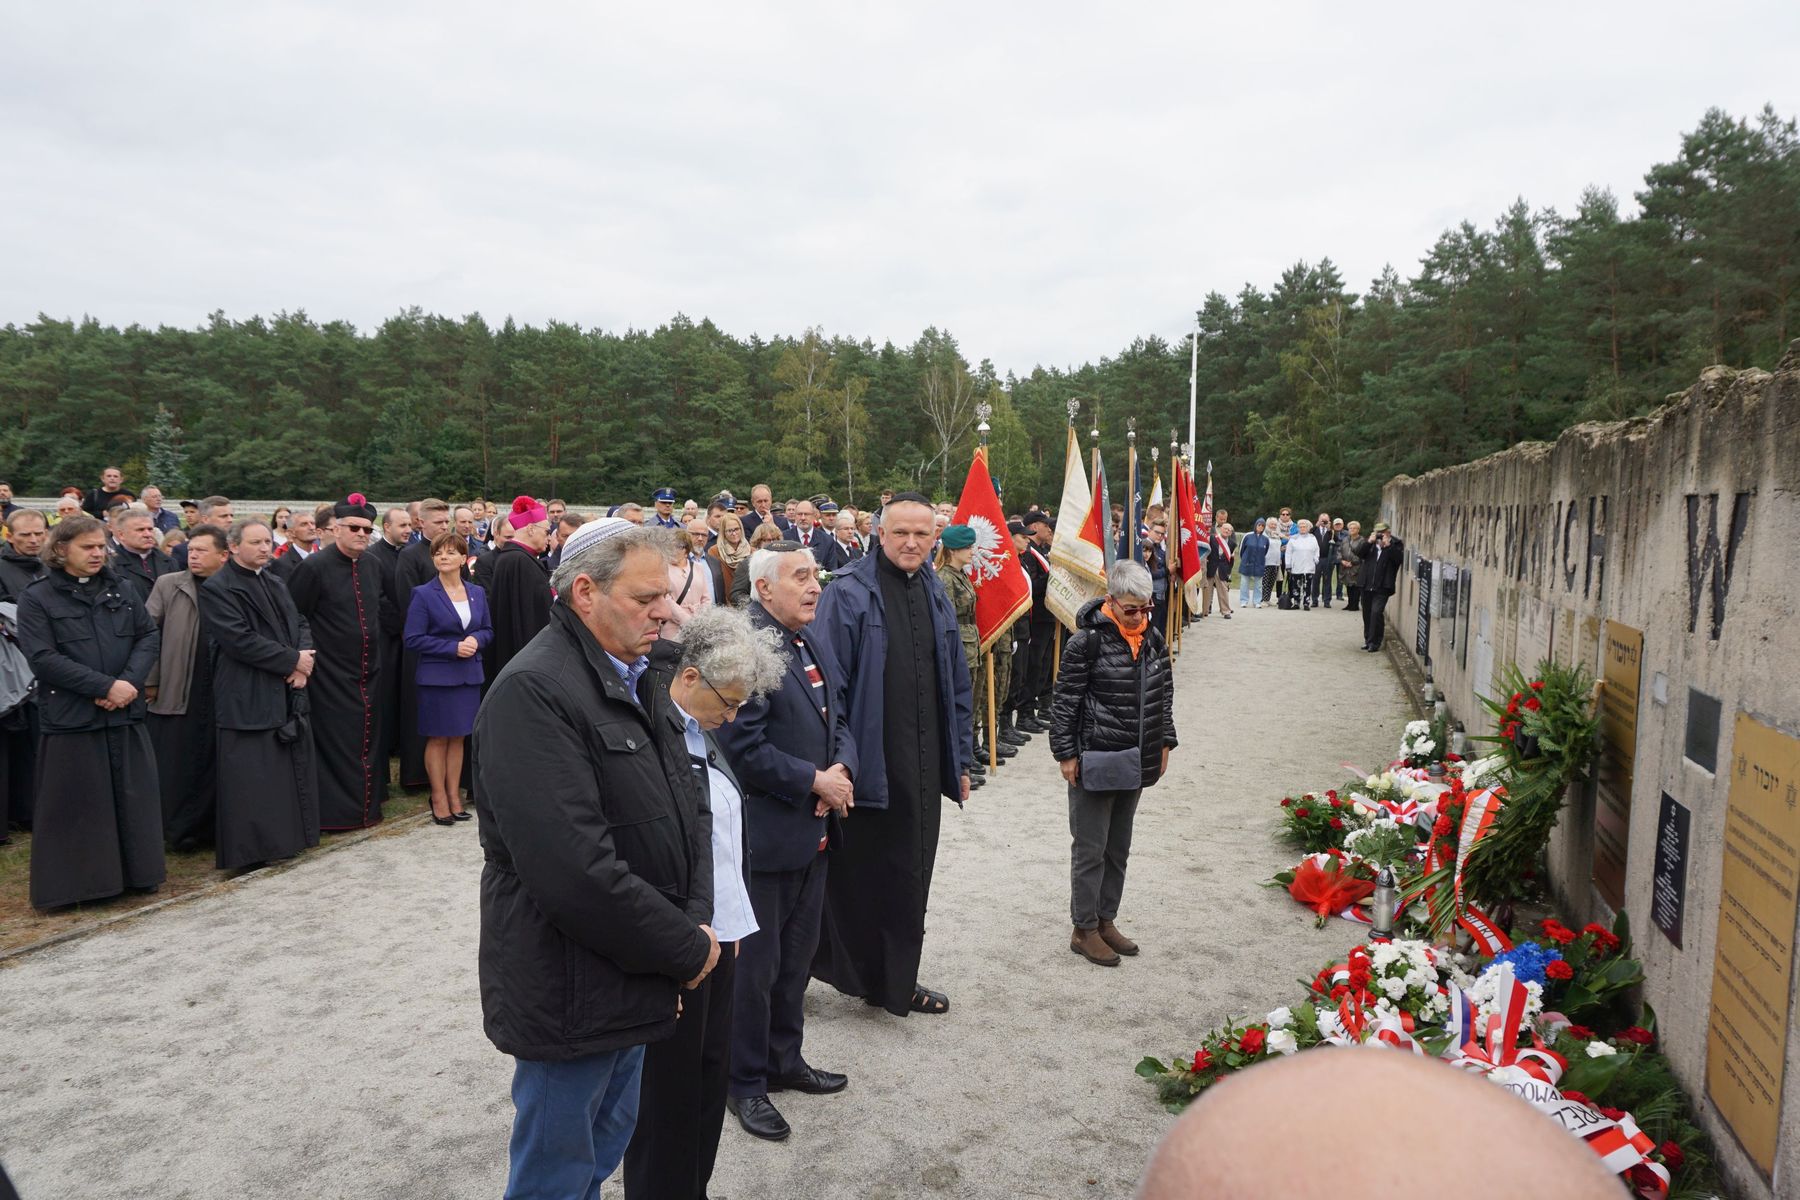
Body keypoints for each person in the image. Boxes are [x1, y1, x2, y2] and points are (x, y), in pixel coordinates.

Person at [474, 518, 719, 1200]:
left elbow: (690, 805)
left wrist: (695, 918)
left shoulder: (639, 672)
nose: (666, 611)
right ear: (585, 592)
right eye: (646, 598)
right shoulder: (535, 691)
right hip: (572, 987)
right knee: (556, 1174)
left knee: (603, 1148)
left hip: (636, 967)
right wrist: (685, 946)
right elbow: (572, 870)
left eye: (665, 595)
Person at [624, 606, 786, 1193]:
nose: (734, 716)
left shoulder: (700, 728)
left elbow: (721, 839)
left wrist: (735, 924)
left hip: (720, 937)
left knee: (707, 1082)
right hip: (681, 943)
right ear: (689, 677)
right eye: (729, 702)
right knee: (668, 1097)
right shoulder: (652, 733)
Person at [716, 542, 858, 1143]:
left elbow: (838, 716)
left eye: (814, 575)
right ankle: (744, 1082)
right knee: (755, 970)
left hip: (811, 830)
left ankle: (783, 1060)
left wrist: (841, 770)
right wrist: (813, 781)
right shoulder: (745, 646)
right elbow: (741, 747)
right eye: (800, 576)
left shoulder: (804, 637)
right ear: (764, 588)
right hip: (765, 839)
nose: (814, 585)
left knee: (796, 960)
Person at [809, 493, 972, 1017]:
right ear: (880, 534)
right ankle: (820, 971)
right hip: (868, 763)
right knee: (856, 876)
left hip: (922, 764)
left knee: (910, 875)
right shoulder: (848, 593)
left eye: (922, 534)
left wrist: (960, 760)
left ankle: (894, 980)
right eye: (900, 532)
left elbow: (956, 680)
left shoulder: (935, 589)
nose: (911, 543)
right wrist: (838, 762)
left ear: (934, 538)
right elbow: (827, 688)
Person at [15, 516, 164, 909]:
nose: (98, 554)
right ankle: (84, 886)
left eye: (101, 546)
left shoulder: (122, 588)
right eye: (88, 547)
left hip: (124, 712)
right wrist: (104, 687)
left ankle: (139, 874)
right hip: (73, 717)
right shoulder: (37, 597)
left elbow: (147, 635)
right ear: (61, 549)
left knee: (132, 797)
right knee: (79, 803)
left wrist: (127, 683)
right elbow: (42, 657)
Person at [1049, 560, 1176, 966]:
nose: (1139, 616)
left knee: (1118, 848)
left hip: (1136, 759)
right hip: (1096, 757)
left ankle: (1106, 920)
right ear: (1111, 601)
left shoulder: (1153, 638)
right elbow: (1065, 701)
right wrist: (1066, 753)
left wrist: (1165, 741)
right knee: (1091, 848)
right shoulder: (1085, 642)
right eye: (1131, 609)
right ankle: (1083, 929)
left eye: (1145, 607)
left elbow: (1164, 694)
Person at [199, 519, 320, 870]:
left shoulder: (274, 580)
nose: (265, 548)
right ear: (234, 546)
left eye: (267, 541)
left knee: (281, 770)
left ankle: (285, 841)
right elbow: (238, 639)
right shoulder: (218, 587)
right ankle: (252, 853)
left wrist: (302, 661)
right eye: (255, 542)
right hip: (246, 692)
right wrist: (292, 661)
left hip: (283, 686)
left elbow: (299, 622)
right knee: (252, 775)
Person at [288, 494, 391, 831]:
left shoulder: (373, 564)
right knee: (339, 743)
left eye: (367, 529)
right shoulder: (313, 567)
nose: (361, 534)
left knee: (368, 739)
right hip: (330, 673)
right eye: (354, 528)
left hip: (368, 670)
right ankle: (338, 815)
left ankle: (368, 808)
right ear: (336, 529)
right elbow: (296, 616)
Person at [144, 523, 229, 852]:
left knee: (212, 760)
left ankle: (211, 830)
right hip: (179, 686)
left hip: (220, 687)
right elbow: (147, 634)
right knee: (177, 760)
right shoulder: (169, 584)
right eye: (191, 550)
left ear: (223, 556)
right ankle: (177, 831)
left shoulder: (232, 586)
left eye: (201, 551)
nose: (193, 556)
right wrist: (151, 680)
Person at [404, 530, 490, 825]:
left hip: (469, 676)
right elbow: (412, 638)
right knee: (439, 737)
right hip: (438, 677)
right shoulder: (423, 594)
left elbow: (487, 630)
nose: (443, 556)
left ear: (463, 559)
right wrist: (452, 648)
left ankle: (455, 796)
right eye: (438, 552)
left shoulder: (477, 592)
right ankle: (439, 797)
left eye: (450, 552)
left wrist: (476, 640)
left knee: (459, 737)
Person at [393, 499, 461, 792]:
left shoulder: (454, 551)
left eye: (447, 522)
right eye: (438, 522)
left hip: (455, 648)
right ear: (421, 523)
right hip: (424, 647)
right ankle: (417, 776)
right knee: (422, 712)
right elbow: (406, 601)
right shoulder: (410, 556)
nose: (444, 527)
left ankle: (450, 777)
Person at [0, 509, 48, 835]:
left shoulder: (51, 566)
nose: (33, 540)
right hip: (15, 669)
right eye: (25, 535)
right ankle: (22, 810)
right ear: (9, 536)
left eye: (38, 534)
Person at [934, 525, 991, 789]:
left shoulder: (960, 575)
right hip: (958, 647)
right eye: (967, 547)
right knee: (958, 708)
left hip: (970, 645)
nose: (972, 551)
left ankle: (966, 759)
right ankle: (957, 765)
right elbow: (947, 620)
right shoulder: (945, 578)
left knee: (971, 704)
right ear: (954, 550)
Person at [483, 495, 554, 681]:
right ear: (531, 529)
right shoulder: (519, 561)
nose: (549, 537)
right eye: (547, 532)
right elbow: (527, 619)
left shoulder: (515, 558)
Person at [661, 519, 722, 636]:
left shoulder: (698, 567)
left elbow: (706, 598)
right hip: (673, 628)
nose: (673, 550)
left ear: (686, 550)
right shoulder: (663, 569)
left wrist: (700, 619)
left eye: (678, 546)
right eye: (670, 546)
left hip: (699, 626)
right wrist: (688, 621)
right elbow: (666, 599)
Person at [109, 506, 178, 603]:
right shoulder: (111, 565)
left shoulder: (169, 562)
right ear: (121, 535)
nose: (148, 534)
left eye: (150, 529)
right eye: (140, 530)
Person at [1356, 521, 1405, 652]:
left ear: (1388, 532)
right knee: (1367, 613)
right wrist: (1369, 542)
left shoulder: (1395, 544)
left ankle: (1375, 642)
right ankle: (1368, 639)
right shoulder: (1370, 543)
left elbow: (1398, 560)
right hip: (1366, 584)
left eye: (1382, 532)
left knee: (1376, 612)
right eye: (1378, 532)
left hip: (1383, 586)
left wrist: (1388, 546)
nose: (1380, 535)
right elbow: (1359, 553)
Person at [730, 522, 786, 607]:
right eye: (767, 540)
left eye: (775, 539)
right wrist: (756, 607)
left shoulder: (784, 562)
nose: (772, 543)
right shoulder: (747, 564)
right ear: (758, 542)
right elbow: (737, 595)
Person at [707, 511, 751, 602]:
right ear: (723, 532)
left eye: (736, 529)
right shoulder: (714, 552)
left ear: (741, 529)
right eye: (730, 531)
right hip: (723, 603)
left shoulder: (752, 551)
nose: (734, 533)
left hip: (745, 603)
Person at [1285, 518, 1320, 610]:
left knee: (1307, 586)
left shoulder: (1312, 538)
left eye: (1304, 527)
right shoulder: (1293, 538)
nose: (1302, 528)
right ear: (1298, 528)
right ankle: (1296, 603)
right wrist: (1288, 564)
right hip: (1296, 566)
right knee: (1295, 585)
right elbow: (1288, 552)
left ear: (1308, 528)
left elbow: (1317, 550)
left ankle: (1306, 603)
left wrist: (1316, 558)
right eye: (1300, 527)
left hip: (1309, 566)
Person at [1202, 523, 1235, 619]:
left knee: (1223, 591)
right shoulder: (1212, 538)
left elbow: (1231, 559)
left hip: (1222, 569)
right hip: (1211, 566)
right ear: (1221, 529)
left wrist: (1229, 571)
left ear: (1231, 533)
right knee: (1207, 590)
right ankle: (1204, 611)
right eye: (1225, 528)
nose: (1226, 531)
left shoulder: (1232, 543)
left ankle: (1226, 611)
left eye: (1229, 530)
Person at [1236, 519, 1269, 609]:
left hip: (1259, 564)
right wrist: (1244, 559)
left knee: (1258, 585)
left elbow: (1265, 551)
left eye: (1262, 526)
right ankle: (1244, 601)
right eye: (1259, 525)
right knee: (1244, 583)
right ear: (1255, 525)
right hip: (1247, 563)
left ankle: (1257, 602)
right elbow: (1241, 550)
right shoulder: (1247, 536)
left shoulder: (1265, 539)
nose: (1260, 527)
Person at [1312, 512, 1337, 609]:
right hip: (1316, 559)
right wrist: (1316, 525)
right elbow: (1308, 535)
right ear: (1318, 520)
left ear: (1329, 521)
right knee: (1315, 580)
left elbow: (1336, 540)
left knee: (1327, 580)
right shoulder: (1315, 530)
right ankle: (1314, 600)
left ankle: (1327, 601)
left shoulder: (1331, 531)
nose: (1323, 522)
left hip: (1327, 558)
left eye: (1325, 520)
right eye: (1322, 520)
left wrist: (1329, 529)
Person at [1340, 520, 1364, 612]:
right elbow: (1339, 551)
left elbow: (1361, 554)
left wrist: (1352, 562)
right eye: (1350, 528)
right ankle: (1349, 604)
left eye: (1354, 528)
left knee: (1355, 586)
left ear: (1358, 529)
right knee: (1348, 585)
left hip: (1356, 566)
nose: (1352, 530)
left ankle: (1355, 605)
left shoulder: (1362, 541)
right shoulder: (1345, 540)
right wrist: (1342, 560)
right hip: (1345, 566)